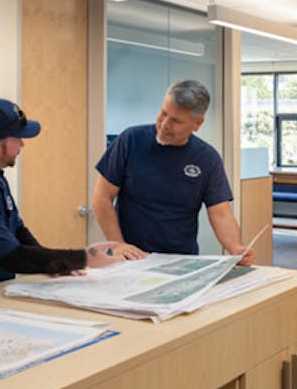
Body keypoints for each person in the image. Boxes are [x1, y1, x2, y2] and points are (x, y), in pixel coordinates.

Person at [0, 97, 123, 297]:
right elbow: (13, 257)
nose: (22, 144)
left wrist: (56, 266)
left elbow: (18, 231)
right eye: (17, 138)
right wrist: (84, 258)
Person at [92, 79, 254, 265]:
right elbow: (102, 197)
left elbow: (221, 214)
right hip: (132, 259)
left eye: (176, 120)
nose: (165, 124)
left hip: (181, 262)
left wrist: (235, 248)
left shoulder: (207, 159)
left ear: (197, 123)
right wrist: (118, 244)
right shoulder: (130, 141)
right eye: (163, 113)